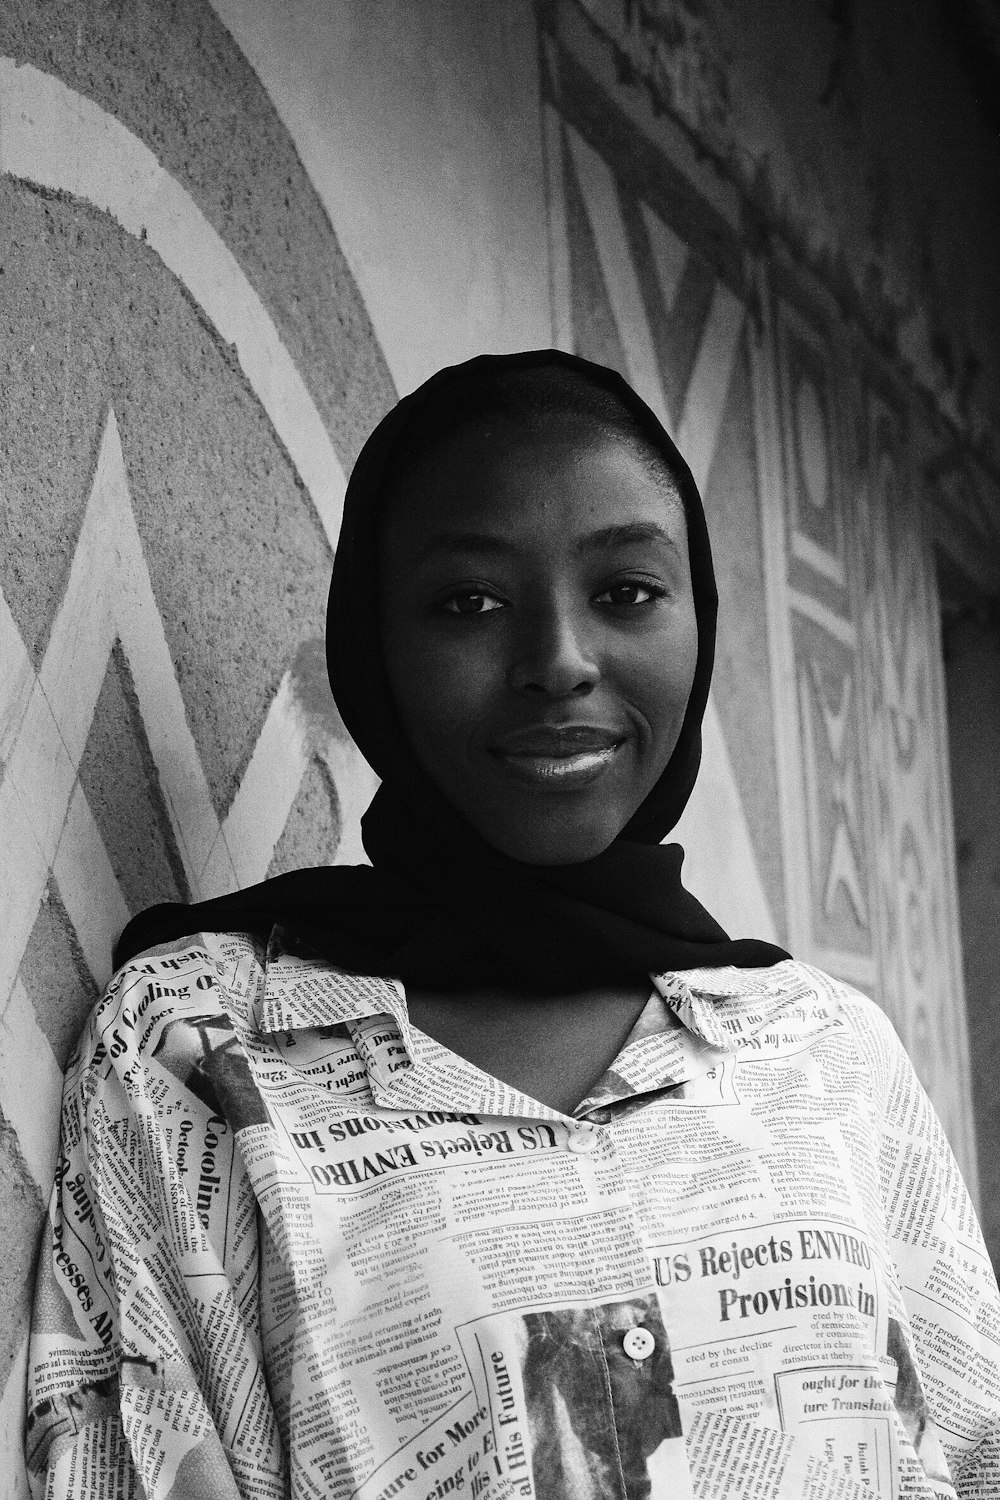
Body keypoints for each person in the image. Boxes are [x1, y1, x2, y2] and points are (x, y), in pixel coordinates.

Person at [26, 351, 1000, 1499]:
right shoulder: (198, 1044)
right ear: (374, 646)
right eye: (468, 603)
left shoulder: (826, 1051)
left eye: (626, 592)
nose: (559, 663)